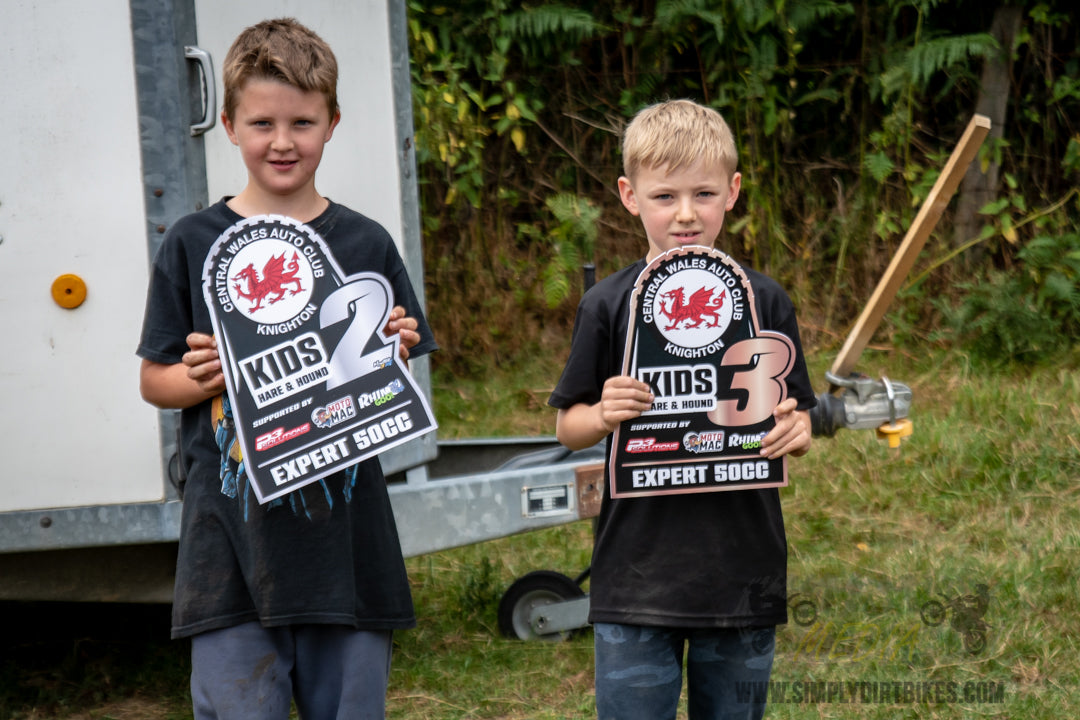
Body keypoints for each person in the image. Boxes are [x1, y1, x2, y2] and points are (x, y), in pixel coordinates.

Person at [137, 18, 436, 720]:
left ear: (332, 123)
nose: (282, 141)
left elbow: (396, 381)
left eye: (302, 121)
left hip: (349, 552)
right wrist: (206, 378)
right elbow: (156, 380)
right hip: (231, 553)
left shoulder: (365, 241)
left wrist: (389, 348)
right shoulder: (193, 243)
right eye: (262, 121)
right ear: (229, 126)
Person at [548, 99, 816, 720]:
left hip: (743, 571)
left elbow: (793, 415)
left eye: (704, 193)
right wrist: (604, 413)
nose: (687, 214)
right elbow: (569, 426)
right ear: (629, 195)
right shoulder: (607, 305)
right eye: (665, 196)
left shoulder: (763, 300)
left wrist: (795, 432)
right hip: (634, 578)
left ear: (733, 192)